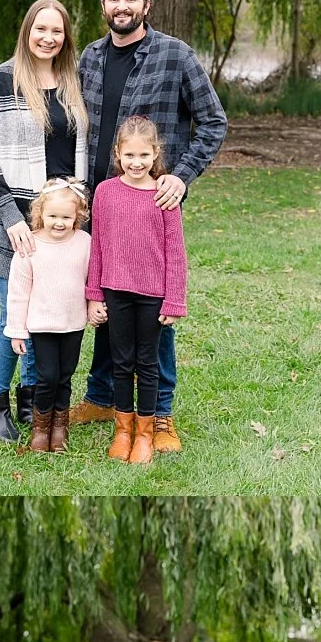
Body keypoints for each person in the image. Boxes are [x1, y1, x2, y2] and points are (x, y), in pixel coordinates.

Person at [69, 0, 227, 453]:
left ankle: (160, 416)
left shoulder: (175, 56)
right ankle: (101, 398)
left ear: (146, 5)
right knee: (107, 301)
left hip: (150, 203)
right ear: (103, 5)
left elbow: (213, 121)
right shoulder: (90, 58)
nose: (122, 6)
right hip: (100, 201)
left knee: (152, 310)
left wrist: (181, 175)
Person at [0, 0, 89, 443]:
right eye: (41, 29)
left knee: (48, 312)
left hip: (61, 223)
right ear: (26, 31)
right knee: (13, 313)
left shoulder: (74, 83)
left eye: (57, 31)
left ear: (66, 37)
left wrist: (80, 215)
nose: (48, 38)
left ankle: (32, 397)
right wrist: (9, 216)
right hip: (13, 221)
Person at [88, 117, 188, 466]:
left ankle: (145, 434)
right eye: (129, 155)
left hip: (152, 295)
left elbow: (176, 252)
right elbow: (97, 246)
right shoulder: (105, 192)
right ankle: (123, 431)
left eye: (144, 155)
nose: (136, 162)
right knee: (121, 362)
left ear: (156, 153)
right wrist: (94, 294)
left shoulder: (164, 194)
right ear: (117, 153)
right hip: (115, 291)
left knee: (147, 363)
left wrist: (174, 300)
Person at [3, 179, 93, 452]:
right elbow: (18, 293)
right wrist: (17, 331)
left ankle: (60, 426)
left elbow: (92, 279)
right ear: (40, 213)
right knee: (47, 377)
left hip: (73, 323)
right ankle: (41, 428)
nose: (59, 223)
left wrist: (94, 304)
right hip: (42, 325)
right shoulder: (30, 247)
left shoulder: (84, 243)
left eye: (66, 217)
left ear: (78, 216)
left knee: (65, 376)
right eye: (53, 216)